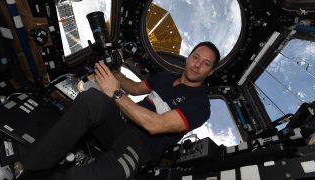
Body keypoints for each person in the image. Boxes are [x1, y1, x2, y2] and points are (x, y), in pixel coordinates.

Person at [18, 41, 220, 180]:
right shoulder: (165, 77)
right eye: (196, 57)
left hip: (141, 147)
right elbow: (132, 87)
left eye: (205, 64)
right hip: (122, 124)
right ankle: (32, 169)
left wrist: (115, 93)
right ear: (188, 58)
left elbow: (156, 125)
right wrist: (111, 71)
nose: (197, 65)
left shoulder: (200, 105)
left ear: (210, 72)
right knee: (93, 99)